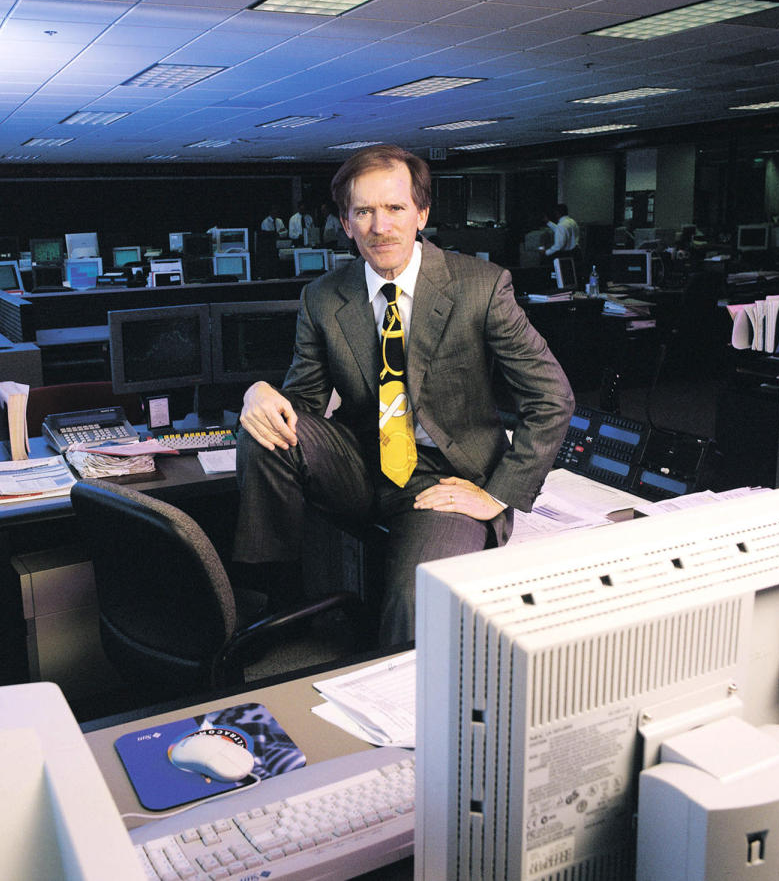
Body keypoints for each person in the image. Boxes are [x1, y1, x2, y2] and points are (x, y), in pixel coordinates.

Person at [233, 145, 574, 645]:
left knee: (418, 600)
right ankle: (274, 600)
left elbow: (552, 397)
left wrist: (498, 494)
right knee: (264, 430)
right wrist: (258, 394)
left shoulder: (480, 286)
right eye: (364, 211)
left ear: (422, 213)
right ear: (346, 223)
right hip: (360, 464)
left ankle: (398, 707)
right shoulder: (324, 295)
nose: (380, 226)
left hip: (448, 478)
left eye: (394, 208)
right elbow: (301, 405)